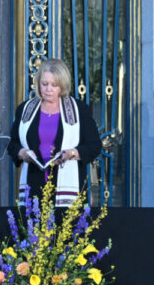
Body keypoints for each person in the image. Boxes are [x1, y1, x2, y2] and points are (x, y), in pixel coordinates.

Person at [7, 58, 101, 207]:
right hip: (34, 182)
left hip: (68, 183)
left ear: (62, 86)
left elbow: (94, 146)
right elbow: (12, 144)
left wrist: (71, 153)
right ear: (38, 83)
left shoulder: (79, 109)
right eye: (44, 84)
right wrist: (22, 153)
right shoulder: (25, 109)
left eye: (54, 85)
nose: (48, 89)